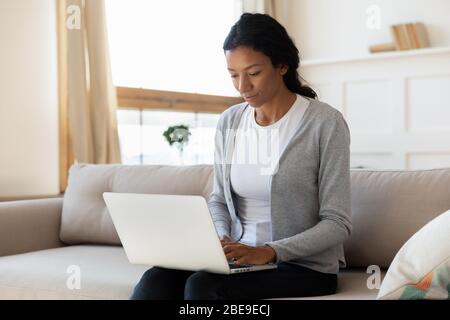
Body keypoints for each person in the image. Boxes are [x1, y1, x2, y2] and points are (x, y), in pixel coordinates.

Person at [130, 13, 352, 300]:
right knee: (156, 279)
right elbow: (219, 199)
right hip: (240, 260)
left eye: (254, 73)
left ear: (282, 65)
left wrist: (269, 251)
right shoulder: (230, 122)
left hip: (302, 267)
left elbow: (338, 222)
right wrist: (221, 240)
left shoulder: (325, 123)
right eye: (233, 74)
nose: (241, 86)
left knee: (203, 287)